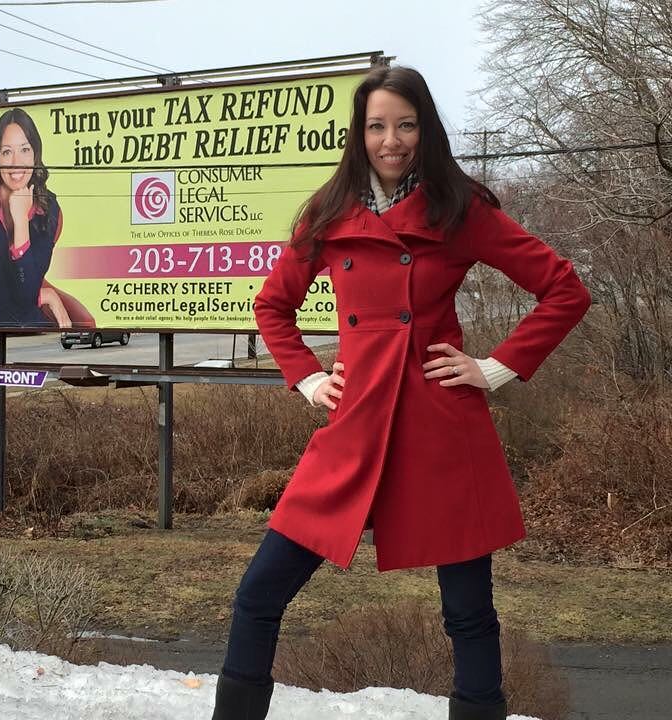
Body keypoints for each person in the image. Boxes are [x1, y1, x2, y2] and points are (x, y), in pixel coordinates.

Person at [211, 66, 591, 720]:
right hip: (354, 426)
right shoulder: (329, 212)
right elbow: (274, 305)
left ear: (426, 129)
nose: (392, 140)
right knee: (258, 594)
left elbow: (565, 290)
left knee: (469, 616)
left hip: (442, 429)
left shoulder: (460, 209)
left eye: (406, 124)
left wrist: (493, 368)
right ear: (358, 134)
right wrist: (307, 377)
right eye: (377, 125)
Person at [0, 107, 94, 328]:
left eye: (25, 150)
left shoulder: (47, 208)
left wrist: (20, 222)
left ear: (35, 154)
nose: (16, 161)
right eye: (7, 152)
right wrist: (45, 297)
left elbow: (28, 286)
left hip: (25, 321)